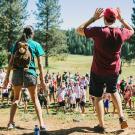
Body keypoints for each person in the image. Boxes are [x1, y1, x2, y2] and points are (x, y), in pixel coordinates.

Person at [76, 8, 134, 133]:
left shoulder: (99, 31)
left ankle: (101, 125)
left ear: (104, 18)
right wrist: (122, 19)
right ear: (115, 18)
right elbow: (132, 30)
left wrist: (93, 18)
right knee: (113, 91)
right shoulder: (121, 32)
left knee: (98, 97)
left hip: (98, 70)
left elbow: (78, 30)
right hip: (113, 71)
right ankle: (121, 116)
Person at [3, 26, 46, 131]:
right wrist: (43, 80)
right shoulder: (36, 45)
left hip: (17, 73)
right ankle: (42, 125)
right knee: (35, 99)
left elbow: (11, 62)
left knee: (16, 98)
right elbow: (40, 64)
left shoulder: (17, 44)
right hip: (30, 73)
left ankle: (10, 123)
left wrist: (7, 77)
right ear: (32, 34)